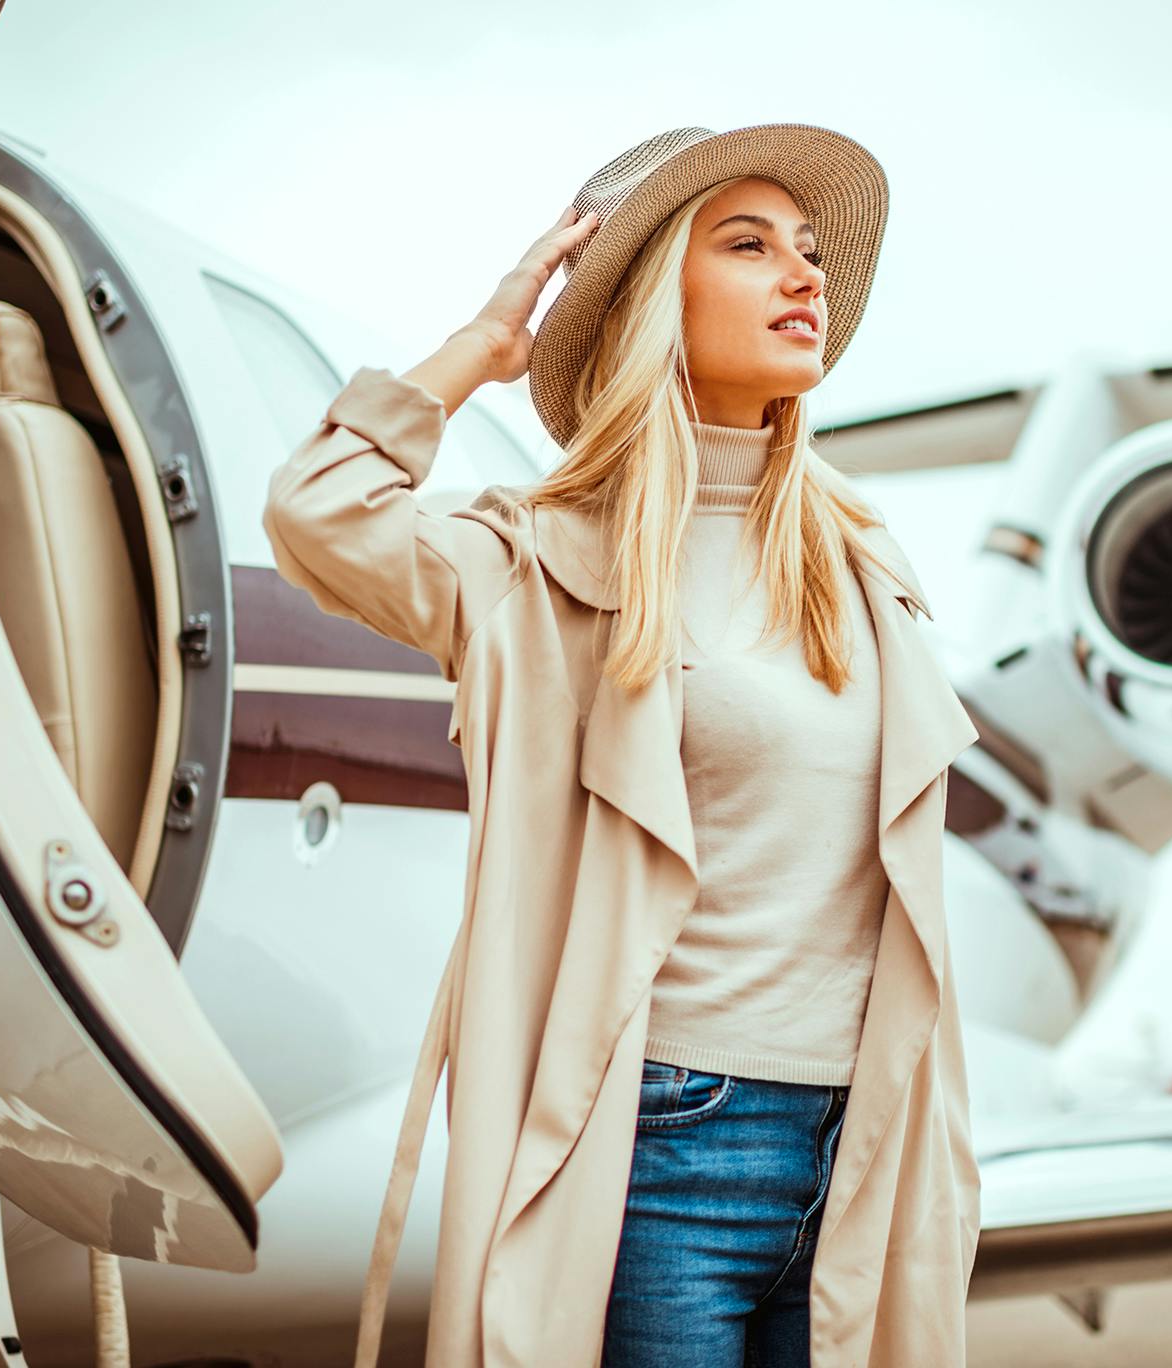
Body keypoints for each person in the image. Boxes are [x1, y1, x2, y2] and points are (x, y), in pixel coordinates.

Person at [262, 124, 982, 1368]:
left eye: (810, 251)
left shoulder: (865, 567)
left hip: (864, 1140)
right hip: (665, 1144)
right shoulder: (535, 563)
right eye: (749, 245)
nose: (806, 277)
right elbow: (320, 511)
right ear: (657, 292)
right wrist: (481, 350)